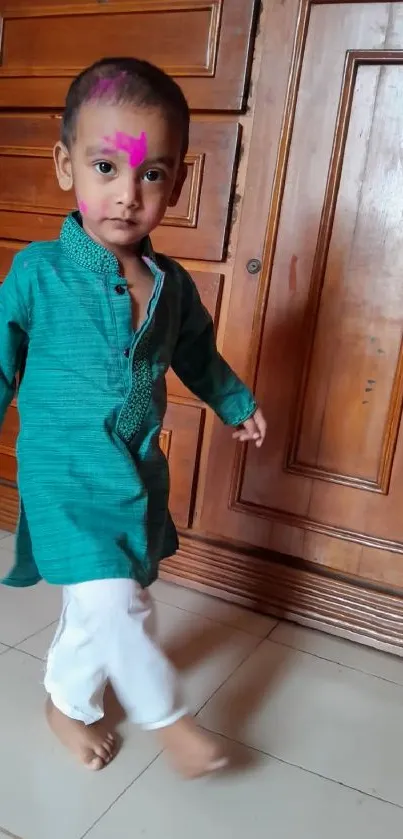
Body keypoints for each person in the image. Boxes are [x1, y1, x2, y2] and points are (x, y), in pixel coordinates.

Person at [0, 57, 267, 778]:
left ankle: (66, 699)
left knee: (108, 599)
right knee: (115, 601)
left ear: (176, 182)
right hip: (62, 472)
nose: (126, 194)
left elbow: (199, 357)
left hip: (133, 476)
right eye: (105, 167)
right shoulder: (37, 273)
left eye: (150, 174)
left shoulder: (172, 286)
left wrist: (235, 403)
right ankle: (170, 719)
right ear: (66, 167)